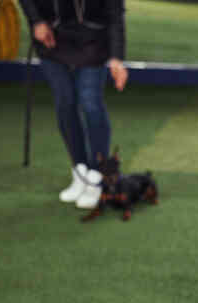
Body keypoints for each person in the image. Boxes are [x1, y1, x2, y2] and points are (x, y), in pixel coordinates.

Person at [20, 0, 127, 210]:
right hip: (52, 38)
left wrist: (116, 58)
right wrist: (36, 21)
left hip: (94, 41)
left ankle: (98, 175)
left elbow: (115, 14)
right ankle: (79, 170)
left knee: (90, 103)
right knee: (65, 103)